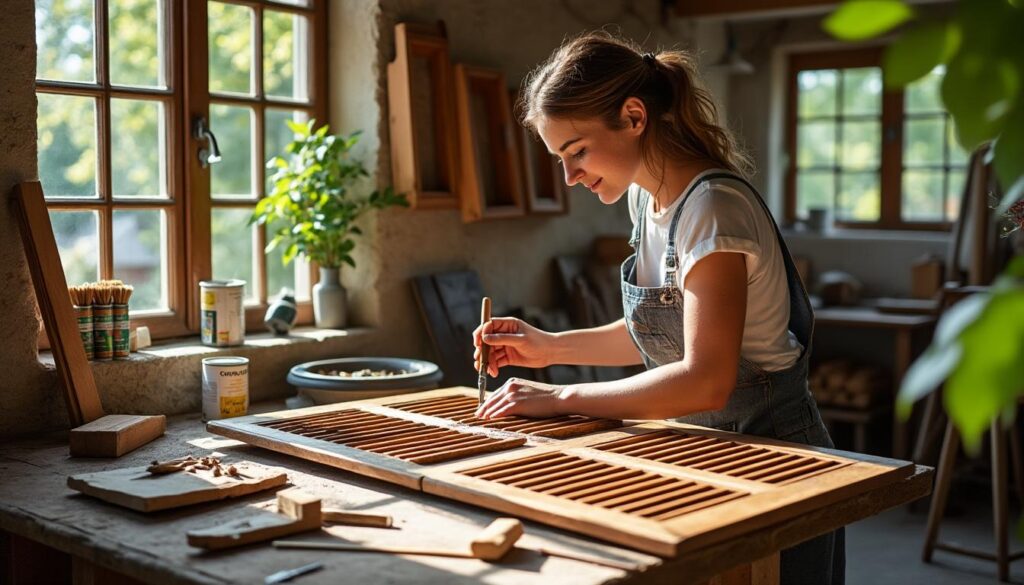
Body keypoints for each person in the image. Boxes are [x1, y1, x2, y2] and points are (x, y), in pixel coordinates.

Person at [472, 32, 844, 585]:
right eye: (560, 159)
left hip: (774, 457)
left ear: (634, 116)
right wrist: (547, 346)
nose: (569, 176)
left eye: (577, 151)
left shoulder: (712, 208)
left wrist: (561, 396)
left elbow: (704, 379)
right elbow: (657, 332)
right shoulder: (647, 199)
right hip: (704, 452)